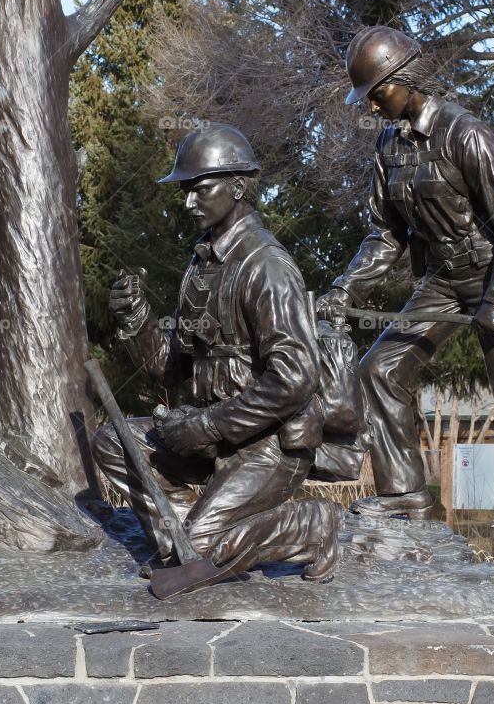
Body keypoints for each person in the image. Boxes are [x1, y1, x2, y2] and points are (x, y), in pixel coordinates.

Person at [319, 26, 494, 568]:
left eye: (375, 91)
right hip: (441, 282)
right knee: (379, 372)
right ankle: (405, 494)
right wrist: (345, 288)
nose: (370, 102)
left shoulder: (466, 133)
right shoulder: (388, 146)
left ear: (404, 78)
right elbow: (385, 234)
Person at [92, 122, 339, 583]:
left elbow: (295, 377)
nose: (188, 203)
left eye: (199, 189)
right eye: (185, 190)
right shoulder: (200, 268)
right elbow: (169, 369)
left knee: (207, 551)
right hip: (209, 443)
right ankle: (185, 543)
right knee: (114, 440)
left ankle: (311, 527)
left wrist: (208, 424)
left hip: (265, 450)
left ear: (238, 186)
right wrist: (138, 319)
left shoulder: (266, 266)